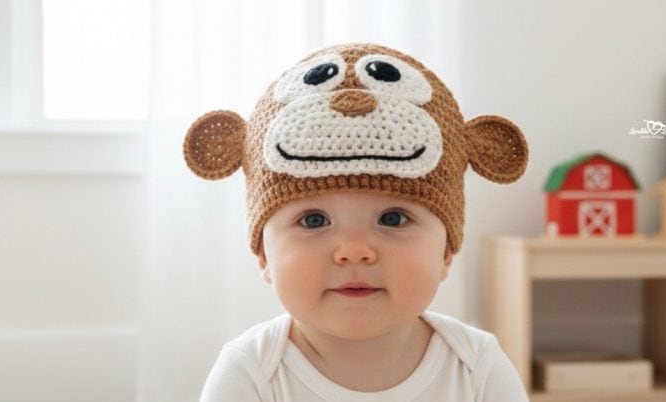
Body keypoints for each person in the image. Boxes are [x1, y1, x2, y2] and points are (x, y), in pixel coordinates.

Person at [183, 43, 530, 402]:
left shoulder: (475, 365)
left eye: (393, 218)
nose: (354, 252)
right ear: (263, 256)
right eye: (314, 220)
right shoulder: (250, 371)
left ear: (445, 252)